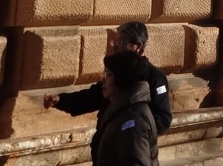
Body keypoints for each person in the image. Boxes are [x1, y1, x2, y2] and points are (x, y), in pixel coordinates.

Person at [44, 22, 172, 134]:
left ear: (137, 47)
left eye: (120, 42)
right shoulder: (117, 72)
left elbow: (162, 120)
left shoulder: (155, 77)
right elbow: (91, 97)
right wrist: (60, 100)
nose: (114, 47)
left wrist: (129, 129)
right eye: (114, 42)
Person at [91, 49, 159, 166]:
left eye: (108, 74)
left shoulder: (133, 119)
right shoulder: (121, 110)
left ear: (122, 78)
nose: (103, 80)